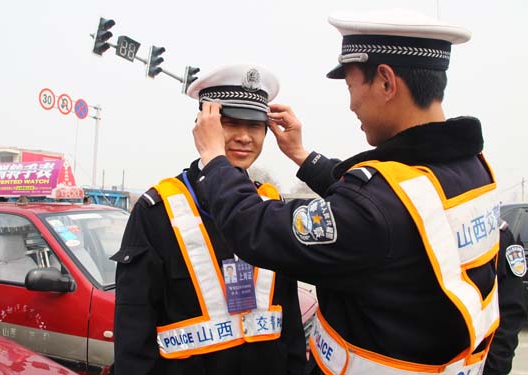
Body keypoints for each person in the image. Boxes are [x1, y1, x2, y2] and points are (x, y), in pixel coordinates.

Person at [192, 9, 501, 375]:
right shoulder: (471, 170)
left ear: (386, 82)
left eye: (352, 88)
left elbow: (253, 227)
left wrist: (214, 159)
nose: (351, 104)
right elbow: (394, 199)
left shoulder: (377, 207)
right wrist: (303, 156)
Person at [111, 64, 306, 375]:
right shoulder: (156, 211)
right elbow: (134, 327)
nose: (244, 137)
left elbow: (290, 319)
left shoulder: (269, 205)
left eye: (255, 126)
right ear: (204, 128)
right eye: (230, 124)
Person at [483, 221, 528, 374]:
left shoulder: (496, 234)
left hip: (479, 366)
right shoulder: (411, 224)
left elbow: (511, 309)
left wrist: (493, 367)